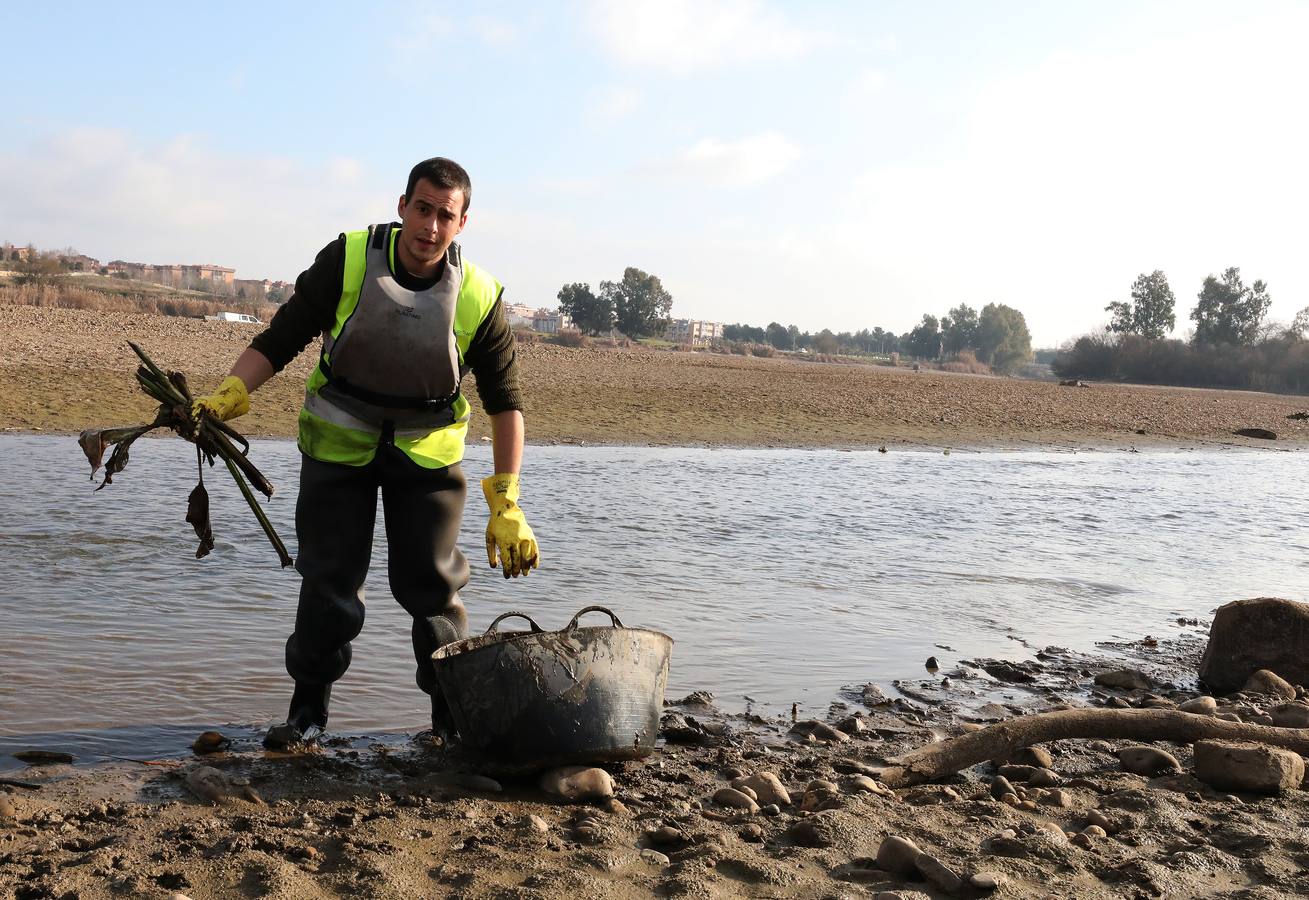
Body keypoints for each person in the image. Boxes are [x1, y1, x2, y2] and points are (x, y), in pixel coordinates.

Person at [192, 157, 540, 749]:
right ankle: (307, 715)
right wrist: (228, 394)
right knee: (328, 583)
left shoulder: (479, 295)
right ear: (402, 207)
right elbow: (281, 338)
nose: (430, 226)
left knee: (433, 589)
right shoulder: (348, 259)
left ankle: (450, 720)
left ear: (462, 223)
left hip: (427, 459)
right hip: (337, 447)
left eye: (445, 215)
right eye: (422, 209)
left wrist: (506, 500)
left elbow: (506, 403)